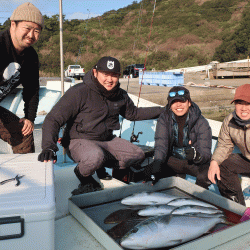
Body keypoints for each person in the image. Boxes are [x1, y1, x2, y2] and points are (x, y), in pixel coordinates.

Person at [38, 56, 164, 194]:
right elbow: (53, 119)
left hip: (106, 140)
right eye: (105, 74)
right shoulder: (79, 91)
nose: (109, 80)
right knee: (94, 157)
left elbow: (133, 114)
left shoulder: (120, 94)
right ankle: (83, 175)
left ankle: (99, 165)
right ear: (95, 72)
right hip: (78, 140)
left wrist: (162, 111)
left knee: (137, 155)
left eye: (114, 75)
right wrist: (49, 147)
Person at [144, 86, 212, 189]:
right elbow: (161, 145)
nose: (178, 105)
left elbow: (206, 153)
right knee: (148, 171)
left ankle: (198, 197)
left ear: (189, 103)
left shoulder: (201, 122)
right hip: (173, 160)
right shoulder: (164, 119)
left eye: (182, 101)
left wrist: (196, 155)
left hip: (193, 163)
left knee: (206, 174)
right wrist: (157, 165)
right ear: (170, 105)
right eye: (174, 102)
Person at [0, 2, 43, 153]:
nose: (31, 35)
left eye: (36, 30)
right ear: (13, 25)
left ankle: (26, 175)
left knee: (23, 133)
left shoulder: (31, 57)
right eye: (27, 28)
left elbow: (31, 90)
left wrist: (29, 118)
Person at [208, 84, 250, 206]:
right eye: (239, 103)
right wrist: (214, 162)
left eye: (248, 103)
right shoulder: (229, 120)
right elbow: (224, 144)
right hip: (247, 160)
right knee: (223, 165)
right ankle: (237, 207)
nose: (243, 108)